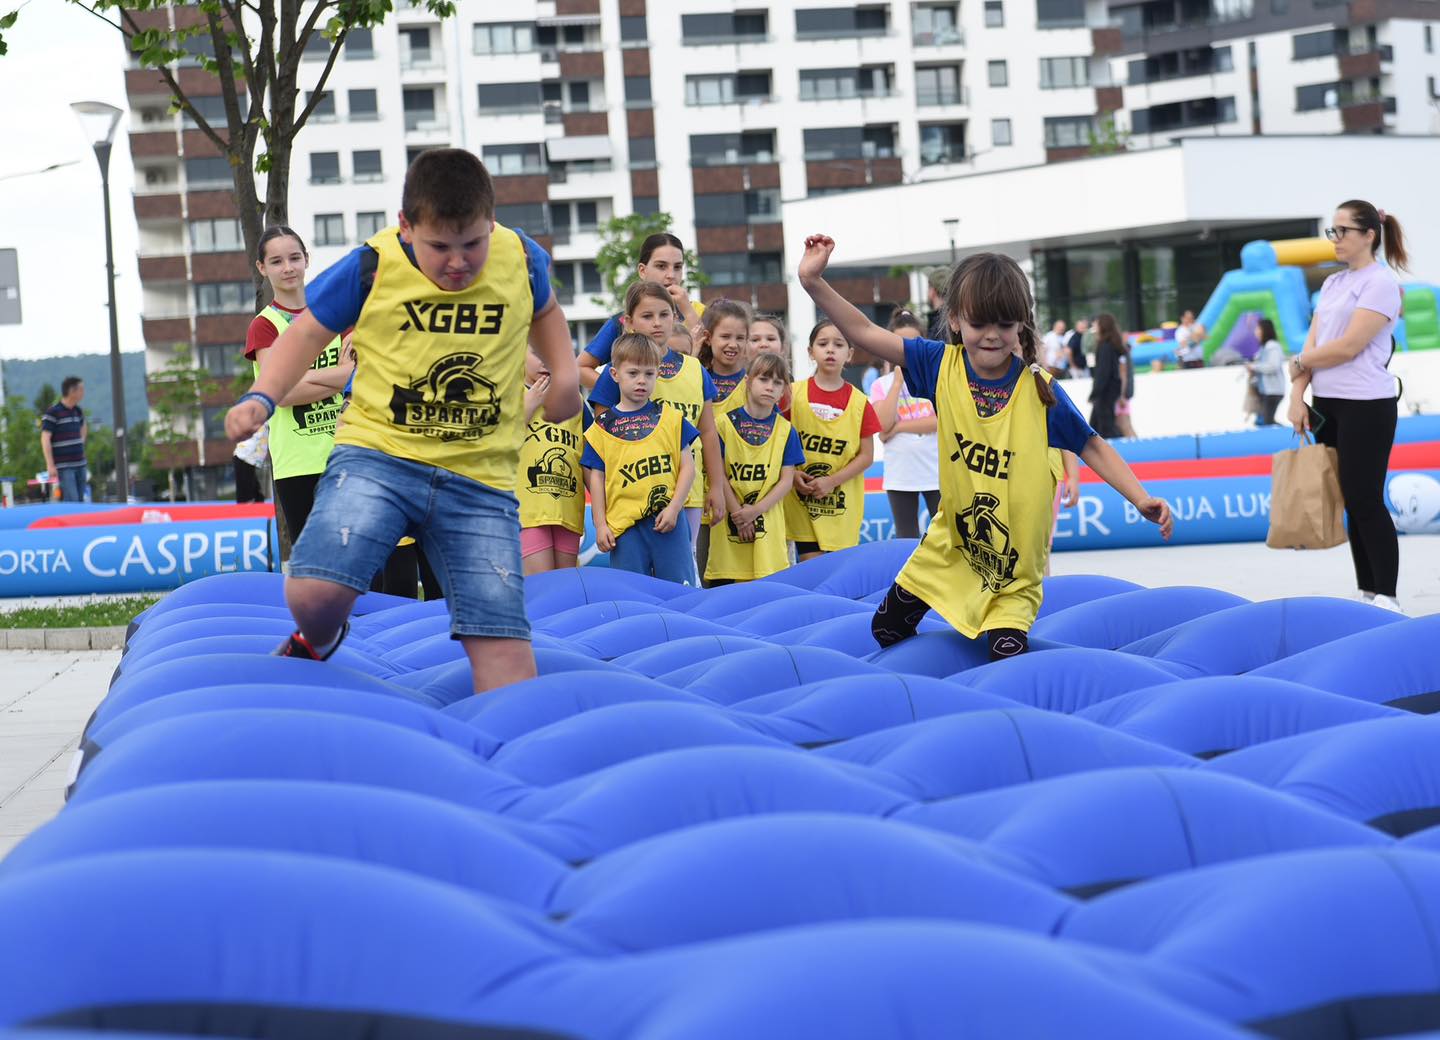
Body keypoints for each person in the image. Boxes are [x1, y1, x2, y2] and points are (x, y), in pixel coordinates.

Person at [224, 148, 580, 693]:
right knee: (312, 595)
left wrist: (564, 374)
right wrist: (262, 397)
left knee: (507, 661)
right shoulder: (373, 265)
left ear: (491, 224)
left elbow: (546, 311)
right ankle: (318, 638)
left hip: (478, 476)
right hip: (378, 459)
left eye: (473, 244)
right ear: (406, 227)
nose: (458, 262)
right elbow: (307, 332)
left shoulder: (521, 258)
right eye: (440, 247)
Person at [797, 234, 1173, 661]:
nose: (992, 336)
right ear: (956, 320)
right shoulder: (940, 364)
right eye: (980, 324)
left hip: (1012, 569)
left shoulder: (1038, 390)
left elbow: (1092, 445)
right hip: (949, 546)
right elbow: (864, 331)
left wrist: (1141, 498)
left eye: (1005, 325)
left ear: (1021, 325)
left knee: (1006, 653)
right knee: (885, 627)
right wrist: (813, 281)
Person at [1288, 199, 1408, 613]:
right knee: (1350, 502)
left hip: (1366, 404)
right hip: (1329, 403)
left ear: (1369, 235)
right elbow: (1313, 343)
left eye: (1342, 231)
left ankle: (1388, 596)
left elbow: (1349, 346)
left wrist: (1300, 363)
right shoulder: (1333, 284)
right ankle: (1367, 592)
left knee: (1366, 498)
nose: (1335, 239)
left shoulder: (1380, 283)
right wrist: (1296, 396)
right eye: (1332, 231)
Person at [590, 280, 728, 540]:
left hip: (688, 492)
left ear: (675, 317)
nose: (657, 322)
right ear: (629, 322)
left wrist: (717, 487)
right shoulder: (617, 373)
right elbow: (602, 444)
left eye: (664, 314)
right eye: (647, 316)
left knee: (684, 571)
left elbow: (708, 432)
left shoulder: (695, 369)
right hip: (632, 496)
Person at [244, 226, 354, 541]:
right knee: (316, 571)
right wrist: (339, 380)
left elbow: (358, 375)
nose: (288, 267)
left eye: (295, 257)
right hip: (298, 465)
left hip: (349, 454)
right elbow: (281, 393)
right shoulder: (264, 326)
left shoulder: (338, 315)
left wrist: (299, 378)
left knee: (363, 567)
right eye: (277, 261)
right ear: (262, 268)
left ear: (307, 259)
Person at [583, 333, 699, 584]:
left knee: (680, 591)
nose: (641, 381)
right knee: (631, 594)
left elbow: (688, 467)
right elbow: (597, 480)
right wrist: (600, 525)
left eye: (648, 373)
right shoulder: (601, 428)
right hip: (624, 528)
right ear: (615, 375)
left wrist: (675, 507)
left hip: (668, 521)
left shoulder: (671, 418)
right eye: (633, 373)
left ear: (657, 374)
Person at [784, 320, 881, 561]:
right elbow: (778, 443)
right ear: (810, 352)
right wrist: (792, 475)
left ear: (849, 354)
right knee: (811, 569)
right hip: (799, 501)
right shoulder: (792, 394)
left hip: (841, 505)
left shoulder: (860, 402)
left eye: (838, 344)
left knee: (837, 574)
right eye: (823, 343)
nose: (830, 349)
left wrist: (832, 481)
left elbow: (866, 456)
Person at [706, 351, 804, 585]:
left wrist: (755, 511)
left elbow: (786, 481)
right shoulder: (722, 425)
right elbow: (717, 475)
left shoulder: (786, 430)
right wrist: (740, 515)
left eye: (777, 382)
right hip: (728, 531)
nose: (770, 386)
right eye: (763, 379)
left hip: (768, 534)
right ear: (748, 381)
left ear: (784, 390)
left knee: (768, 598)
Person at [577, 233, 704, 389]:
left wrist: (688, 312)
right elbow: (580, 368)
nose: (671, 275)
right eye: (661, 266)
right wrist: (621, 391)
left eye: (677, 267)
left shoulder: (699, 311)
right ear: (642, 271)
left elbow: (713, 361)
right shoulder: (622, 321)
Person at [519, 350, 591, 575]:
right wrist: (526, 409)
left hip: (566, 511)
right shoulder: (506, 394)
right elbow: (491, 449)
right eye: (535, 351)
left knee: (565, 592)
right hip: (526, 513)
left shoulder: (574, 400)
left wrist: (604, 511)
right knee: (542, 592)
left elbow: (589, 459)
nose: (545, 358)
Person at [870, 310, 940, 540]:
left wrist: (898, 428)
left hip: (937, 469)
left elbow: (939, 421)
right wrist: (897, 381)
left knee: (944, 533)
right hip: (901, 472)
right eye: (899, 342)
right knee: (905, 534)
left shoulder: (935, 377)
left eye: (912, 341)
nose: (906, 349)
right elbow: (883, 424)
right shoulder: (882, 384)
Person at [40, 377, 87, 502]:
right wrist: (50, 465)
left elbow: (83, 427)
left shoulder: (78, 411)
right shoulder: (53, 412)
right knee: (72, 500)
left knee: (81, 500)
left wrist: (80, 444)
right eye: (81, 389)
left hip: (80, 464)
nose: (83, 392)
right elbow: (45, 439)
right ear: (72, 391)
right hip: (64, 466)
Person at [1087, 313, 1126, 439]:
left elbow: (1102, 373)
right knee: (1099, 425)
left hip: (1105, 391)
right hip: (1109, 389)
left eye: (1096, 323)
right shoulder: (1110, 345)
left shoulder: (1105, 347)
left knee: (1104, 426)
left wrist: (1095, 393)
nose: (1094, 326)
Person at [1248, 319, 1286, 426]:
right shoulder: (1263, 348)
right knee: (1264, 420)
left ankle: (1282, 436)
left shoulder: (1272, 346)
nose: (1256, 331)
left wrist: (1254, 367)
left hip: (1273, 391)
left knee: (1267, 421)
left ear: (1265, 330)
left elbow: (1273, 366)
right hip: (1266, 390)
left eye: (1258, 328)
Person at [233, 425, 269, 503]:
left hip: (246, 455)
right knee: (247, 494)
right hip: (245, 455)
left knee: (250, 492)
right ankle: (254, 505)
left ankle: (256, 504)